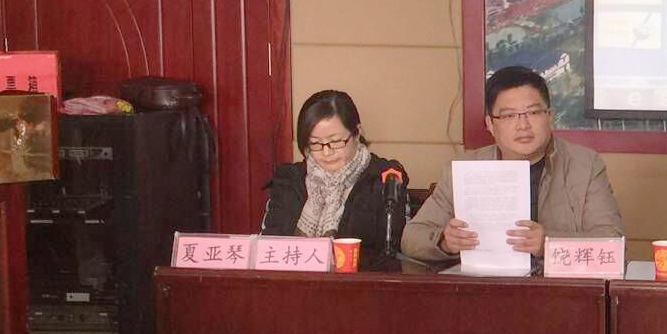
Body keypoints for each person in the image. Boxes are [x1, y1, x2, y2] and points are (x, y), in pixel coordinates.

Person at [402, 66, 622, 265]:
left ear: (550, 116)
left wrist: (549, 243)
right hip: (486, 288)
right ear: (490, 124)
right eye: (509, 116)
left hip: (559, 290)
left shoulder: (585, 165)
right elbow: (411, 238)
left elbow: (613, 243)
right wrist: (444, 242)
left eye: (533, 113)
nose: (523, 125)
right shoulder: (465, 169)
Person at [260, 90, 408, 256]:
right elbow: (269, 246)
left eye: (335, 141)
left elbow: (391, 252)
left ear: (357, 133)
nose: (326, 152)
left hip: (360, 273)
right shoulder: (290, 180)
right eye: (315, 143)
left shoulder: (385, 179)